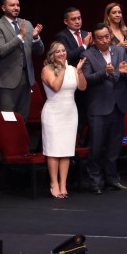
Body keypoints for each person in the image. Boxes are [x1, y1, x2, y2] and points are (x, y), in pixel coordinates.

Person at [82, 24, 127, 195]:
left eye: (106, 36)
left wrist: (121, 72)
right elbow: (87, 80)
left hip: (118, 106)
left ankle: (112, 179)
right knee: (96, 147)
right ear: (94, 40)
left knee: (114, 147)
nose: (105, 40)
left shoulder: (119, 52)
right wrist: (105, 72)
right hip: (98, 108)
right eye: (100, 38)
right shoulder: (87, 55)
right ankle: (95, 181)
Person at [41, 42, 87, 199]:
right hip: (53, 113)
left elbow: (82, 88)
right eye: (57, 52)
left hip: (70, 113)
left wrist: (79, 72)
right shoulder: (47, 70)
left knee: (66, 151)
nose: (61, 53)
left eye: (63, 51)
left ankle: (63, 184)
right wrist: (62, 69)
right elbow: (55, 87)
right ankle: (53, 184)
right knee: (54, 151)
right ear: (52, 54)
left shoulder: (73, 69)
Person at [0, 0, 44, 117]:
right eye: (12, 5)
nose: (16, 8)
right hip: (7, 79)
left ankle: (20, 136)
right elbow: (2, 50)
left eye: (18, 5)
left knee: (22, 116)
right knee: (8, 117)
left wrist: (35, 37)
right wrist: (20, 37)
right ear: (3, 8)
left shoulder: (27, 24)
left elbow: (39, 51)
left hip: (26, 77)